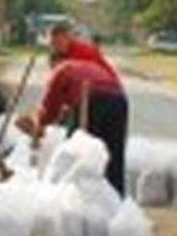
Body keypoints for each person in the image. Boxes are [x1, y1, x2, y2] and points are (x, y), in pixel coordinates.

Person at [16, 57, 129, 195]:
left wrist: (39, 127)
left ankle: (71, 195)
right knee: (113, 154)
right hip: (119, 99)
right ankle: (115, 199)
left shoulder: (60, 69)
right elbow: (62, 110)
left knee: (74, 152)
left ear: (53, 64)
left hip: (93, 99)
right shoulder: (84, 67)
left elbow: (49, 109)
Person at [47, 19, 118, 77]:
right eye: (53, 43)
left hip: (106, 85)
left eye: (59, 42)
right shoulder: (56, 57)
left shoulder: (83, 52)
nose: (56, 46)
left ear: (68, 38)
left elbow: (91, 77)